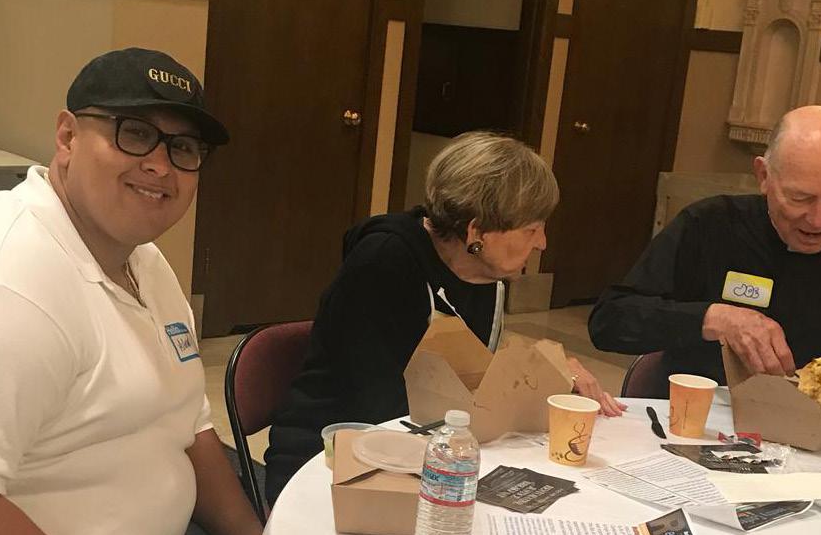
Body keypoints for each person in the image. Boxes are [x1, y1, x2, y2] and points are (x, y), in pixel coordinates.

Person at [0, 48, 263, 535]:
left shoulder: (143, 261)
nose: (160, 165)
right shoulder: (1, 282)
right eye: (135, 133)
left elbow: (189, 425)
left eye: (183, 148)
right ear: (67, 136)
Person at [265, 132, 624, 504]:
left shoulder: (485, 273)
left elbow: (467, 378)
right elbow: (383, 402)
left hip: (419, 451)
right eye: (531, 229)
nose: (542, 243)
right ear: (476, 231)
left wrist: (547, 372)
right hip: (334, 459)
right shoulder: (384, 262)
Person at [589, 105, 821, 396]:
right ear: (763, 176)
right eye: (799, 198)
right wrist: (713, 318)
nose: (818, 220)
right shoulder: (710, 226)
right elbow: (609, 322)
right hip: (700, 414)